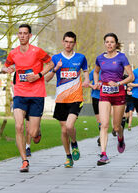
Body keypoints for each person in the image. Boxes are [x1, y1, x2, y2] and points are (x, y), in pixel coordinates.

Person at [2, 24, 54, 172]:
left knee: (32, 133)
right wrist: (8, 69)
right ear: (18, 35)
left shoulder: (37, 51)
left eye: (25, 33)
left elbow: (50, 63)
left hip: (37, 94)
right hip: (20, 93)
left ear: (30, 36)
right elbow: (5, 67)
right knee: (18, 126)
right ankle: (24, 161)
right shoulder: (13, 53)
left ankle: (37, 131)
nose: (22, 36)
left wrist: (38, 75)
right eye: (20, 33)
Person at [45, 31, 89, 168]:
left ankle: (74, 143)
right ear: (63, 42)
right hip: (61, 99)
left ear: (75, 43)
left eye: (71, 42)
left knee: (69, 126)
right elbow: (46, 79)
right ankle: (68, 156)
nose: (68, 44)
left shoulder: (81, 58)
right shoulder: (56, 58)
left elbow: (86, 72)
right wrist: (55, 69)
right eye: (66, 41)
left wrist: (87, 80)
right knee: (64, 131)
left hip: (76, 97)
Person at [93, 33, 134, 166]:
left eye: (112, 42)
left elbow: (131, 77)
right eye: (107, 42)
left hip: (119, 94)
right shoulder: (100, 58)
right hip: (104, 93)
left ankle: (120, 137)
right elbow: (95, 71)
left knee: (116, 126)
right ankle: (103, 154)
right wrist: (96, 82)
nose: (109, 44)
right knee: (104, 124)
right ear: (104, 43)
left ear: (116, 44)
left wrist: (119, 83)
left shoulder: (121, 57)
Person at [89, 69, 102, 146]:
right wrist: (93, 86)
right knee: (99, 120)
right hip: (96, 97)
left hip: (106, 97)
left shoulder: (109, 71)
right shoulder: (94, 71)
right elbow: (86, 82)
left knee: (104, 119)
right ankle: (101, 136)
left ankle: (102, 137)